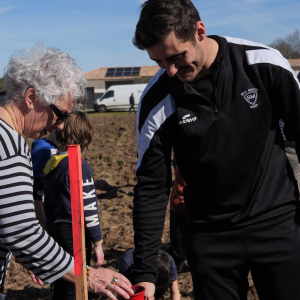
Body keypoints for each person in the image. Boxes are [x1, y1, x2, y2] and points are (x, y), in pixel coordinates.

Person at [131, 1, 300, 300]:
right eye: (160, 62)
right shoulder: (157, 98)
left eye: (176, 57)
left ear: (199, 31)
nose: (170, 70)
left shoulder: (262, 64)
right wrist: (144, 271)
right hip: (210, 238)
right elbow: (152, 186)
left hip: (277, 225)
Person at [0, 43, 133, 300]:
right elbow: (21, 232)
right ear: (30, 98)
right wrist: (88, 275)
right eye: (60, 115)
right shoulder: (10, 145)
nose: (60, 127)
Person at [41, 112, 104, 299]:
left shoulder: (50, 164)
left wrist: (51, 230)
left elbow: (47, 204)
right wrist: (98, 243)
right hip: (74, 229)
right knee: (77, 278)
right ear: (84, 137)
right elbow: (89, 206)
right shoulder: (79, 165)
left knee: (62, 273)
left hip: (58, 228)